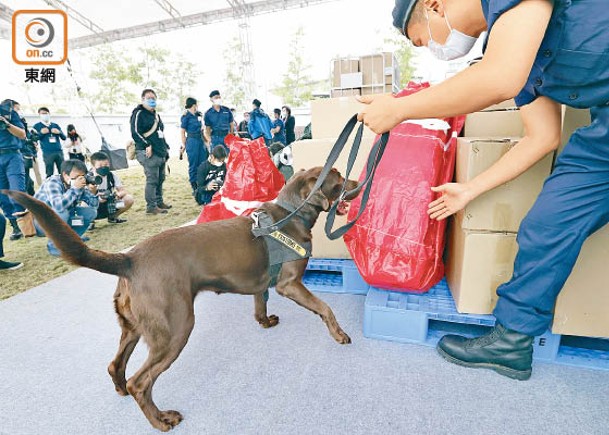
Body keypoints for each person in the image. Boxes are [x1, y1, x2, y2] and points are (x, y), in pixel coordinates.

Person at [358, 0, 608, 381]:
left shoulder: (505, 43)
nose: (430, 49)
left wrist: (401, 108)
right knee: (547, 225)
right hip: (602, 132)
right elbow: (542, 137)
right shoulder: (509, 48)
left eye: (421, 40)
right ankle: (511, 342)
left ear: (433, 6)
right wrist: (469, 190)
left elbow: (498, 80)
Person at [34, 159, 99, 256]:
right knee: (63, 212)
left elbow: (94, 205)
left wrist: (93, 193)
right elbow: (58, 206)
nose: (80, 179)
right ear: (65, 175)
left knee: (90, 212)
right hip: (40, 222)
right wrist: (75, 189)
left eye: (82, 176)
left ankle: (73, 240)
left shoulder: (77, 184)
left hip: (61, 217)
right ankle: (55, 247)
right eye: (76, 176)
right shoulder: (52, 182)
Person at [130, 88, 172, 215]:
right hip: (147, 152)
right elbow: (135, 132)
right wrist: (146, 144)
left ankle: (159, 202)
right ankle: (151, 206)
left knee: (160, 178)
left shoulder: (156, 115)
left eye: (154, 98)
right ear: (143, 99)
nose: (152, 100)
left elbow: (160, 133)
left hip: (160, 152)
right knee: (152, 179)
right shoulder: (138, 113)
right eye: (149, 98)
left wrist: (166, 148)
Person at [0, 99, 27, 241]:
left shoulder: (7, 111)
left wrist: (6, 124)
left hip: (12, 155)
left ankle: (25, 223)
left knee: (17, 189)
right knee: (2, 195)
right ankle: (15, 226)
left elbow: (22, 134)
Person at [90, 151, 134, 224]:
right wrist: (96, 197)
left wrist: (118, 195)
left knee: (129, 199)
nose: (104, 167)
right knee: (84, 203)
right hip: (94, 206)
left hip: (109, 204)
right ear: (93, 167)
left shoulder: (112, 176)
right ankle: (90, 222)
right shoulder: (87, 178)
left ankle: (113, 217)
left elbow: (123, 191)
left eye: (106, 164)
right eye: (100, 166)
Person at [180, 97, 208, 195]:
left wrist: (206, 141)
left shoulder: (198, 114)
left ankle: (202, 184)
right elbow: (182, 132)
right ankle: (194, 187)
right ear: (193, 104)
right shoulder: (186, 116)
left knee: (203, 162)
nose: (197, 106)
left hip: (200, 140)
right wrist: (184, 145)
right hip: (191, 141)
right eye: (196, 104)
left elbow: (202, 129)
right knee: (193, 164)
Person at [32, 107, 66, 178]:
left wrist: (59, 132)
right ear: (39, 115)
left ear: (49, 114)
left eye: (46, 113)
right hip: (48, 153)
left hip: (59, 151)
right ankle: (49, 187)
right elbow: (33, 139)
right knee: (49, 172)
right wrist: (41, 133)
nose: (44, 115)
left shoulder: (55, 125)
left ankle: (64, 187)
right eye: (42, 114)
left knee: (63, 171)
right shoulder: (37, 126)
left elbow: (64, 137)